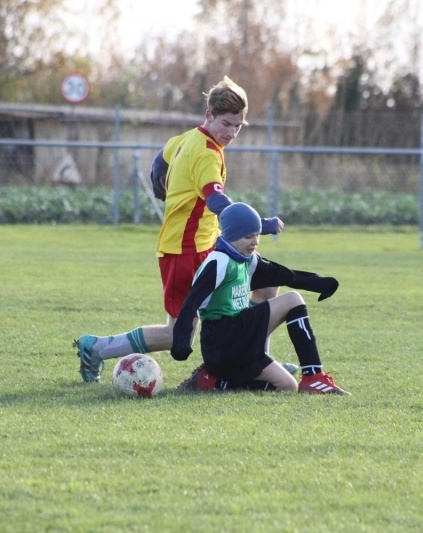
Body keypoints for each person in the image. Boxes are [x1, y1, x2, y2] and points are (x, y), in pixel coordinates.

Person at [74, 76, 284, 382]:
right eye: (226, 123)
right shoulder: (206, 154)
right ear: (209, 114)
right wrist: (259, 224)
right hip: (183, 250)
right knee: (177, 334)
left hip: (209, 244)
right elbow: (217, 202)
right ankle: (96, 347)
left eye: (238, 126)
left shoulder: (186, 139)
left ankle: (256, 362)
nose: (232, 133)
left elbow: (159, 164)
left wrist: (168, 190)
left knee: (264, 284)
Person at [171, 203, 349, 395]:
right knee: (292, 300)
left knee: (288, 386)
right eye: (248, 236)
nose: (255, 241)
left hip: (238, 343)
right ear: (230, 236)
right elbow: (191, 302)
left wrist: (319, 283)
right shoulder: (219, 261)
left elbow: (282, 274)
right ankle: (313, 377)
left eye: (257, 235)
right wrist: (181, 342)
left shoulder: (245, 258)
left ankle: (216, 381)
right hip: (222, 339)